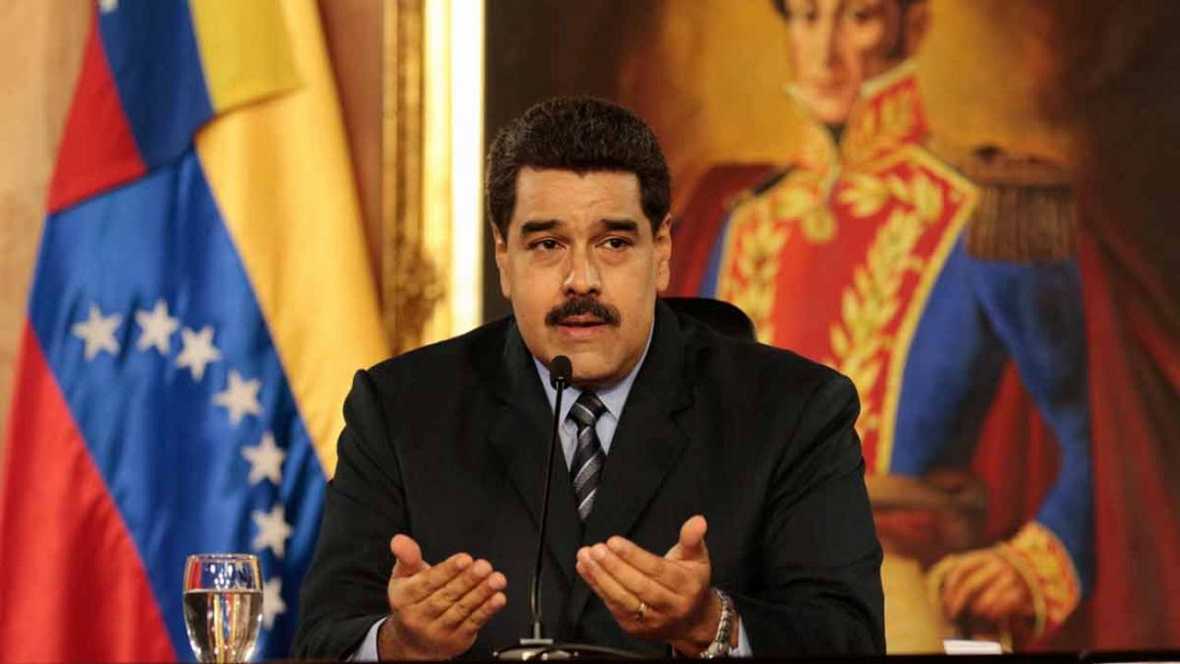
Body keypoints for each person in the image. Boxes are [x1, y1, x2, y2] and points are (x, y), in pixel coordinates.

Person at [293, 97, 884, 659]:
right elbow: (323, 640)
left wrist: (709, 625)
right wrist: (401, 644)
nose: (581, 279)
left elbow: (850, 639)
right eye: (548, 244)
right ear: (503, 257)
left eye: (614, 242)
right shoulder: (400, 409)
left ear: (662, 252)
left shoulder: (795, 410)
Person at [669, 0, 1093, 650]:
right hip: (738, 595)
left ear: (913, 26)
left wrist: (1030, 566)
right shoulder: (740, 221)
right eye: (807, 17)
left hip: (903, 600)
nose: (825, 51)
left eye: (858, 17)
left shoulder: (988, 215)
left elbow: (1098, 436)